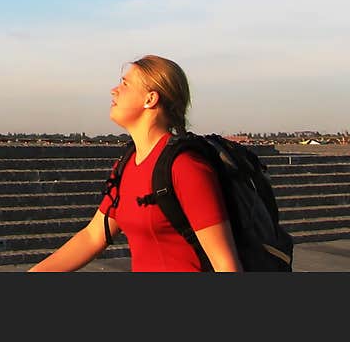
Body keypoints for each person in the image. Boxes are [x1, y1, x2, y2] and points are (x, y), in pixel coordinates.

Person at [28, 54, 242, 272]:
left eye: (125, 83)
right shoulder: (126, 165)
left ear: (150, 99)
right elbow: (93, 236)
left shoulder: (185, 167)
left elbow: (226, 265)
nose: (114, 90)